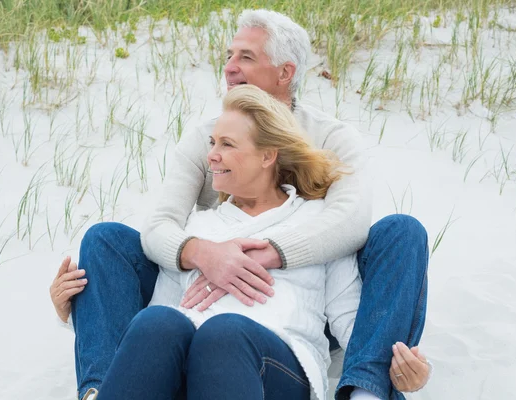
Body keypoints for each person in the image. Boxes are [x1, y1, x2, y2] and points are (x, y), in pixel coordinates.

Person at [49, 9, 430, 400]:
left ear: (285, 72)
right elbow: (162, 230)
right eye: (229, 56)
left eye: (245, 57)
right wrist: (201, 255)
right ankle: (100, 388)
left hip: (292, 307)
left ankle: (371, 389)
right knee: (108, 244)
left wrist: (270, 252)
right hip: (206, 294)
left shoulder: (332, 139)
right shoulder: (204, 151)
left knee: (402, 232)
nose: (229, 68)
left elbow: (349, 225)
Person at [97, 83, 361, 400]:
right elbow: (152, 328)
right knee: (158, 321)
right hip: (191, 373)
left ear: (267, 156)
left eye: (227, 144)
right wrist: (76, 312)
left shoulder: (318, 224)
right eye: (212, 142)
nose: (211, 155)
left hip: (277, 369)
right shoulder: (197, 227)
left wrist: (393, 365)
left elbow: (349, 317)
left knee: (224, 333)